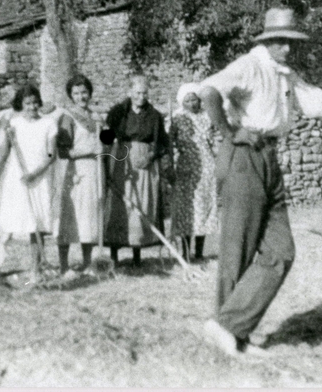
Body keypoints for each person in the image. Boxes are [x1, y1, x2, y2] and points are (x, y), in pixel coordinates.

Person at [198, 7, 322, 357]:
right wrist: (231, 132)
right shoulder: (250, 65)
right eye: (281, 41)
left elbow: (321, 104)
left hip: (269, 158)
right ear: (268, 41)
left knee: (281, 252)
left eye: (291, 42)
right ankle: (229, 335)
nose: (288, 48)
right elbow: (208, 92)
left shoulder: (284, 74)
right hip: (243, 157)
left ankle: (230, 326)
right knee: (239, 247)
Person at [100, 75, 170, 267]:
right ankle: (114, 254)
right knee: (119, 205)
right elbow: (105, 138)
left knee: (142, 205)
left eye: (144, 93)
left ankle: (137, 255)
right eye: (137, 93)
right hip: (121, 160)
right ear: (129, 92)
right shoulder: (117, 112)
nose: (141, 97)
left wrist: (149, 157)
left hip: (144, 164)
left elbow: (163, 144)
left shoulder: (154, 116)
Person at [0, 84, 60, 281]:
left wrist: (36, 173)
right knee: (17, 221)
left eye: (34, 102)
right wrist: (6, 136)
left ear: (39, 102)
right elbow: (4, 152)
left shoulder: (49, 123)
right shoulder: (14, 124)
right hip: (18, 177)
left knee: (36, 224)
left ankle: (36, 270)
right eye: (27, 103)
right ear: (21, 104)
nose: (32, 107)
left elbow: (51, 155)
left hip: (39, 177)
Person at [56, 74, 104, 276]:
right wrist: (89, 152)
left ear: (90, 93)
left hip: (95, 170)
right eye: (76, 93)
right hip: (77, 171)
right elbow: (62, 151)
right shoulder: (68, 118)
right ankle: (64, 266)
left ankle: (87, 263)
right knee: (71, 217)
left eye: (84, 92)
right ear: (71, 96)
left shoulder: (96, 117)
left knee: (90, 218)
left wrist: (106, 141)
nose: (81, 96)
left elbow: (106, 142)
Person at [170, 82, 218, 262]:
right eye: (188, 100)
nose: (192, 103)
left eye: (194, 99)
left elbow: (214, 141)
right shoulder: (177, 118)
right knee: (187, 210)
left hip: (206, 167)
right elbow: (169, 142)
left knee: (203, 209)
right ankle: (185, 252)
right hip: (186, 167)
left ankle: (199, 252)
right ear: (182, 102)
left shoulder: (208, 117)